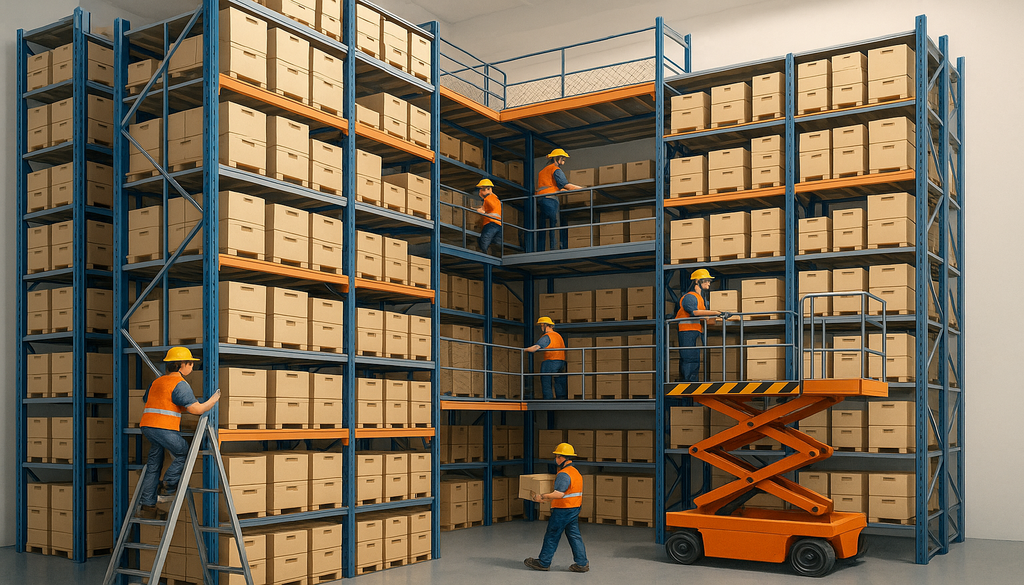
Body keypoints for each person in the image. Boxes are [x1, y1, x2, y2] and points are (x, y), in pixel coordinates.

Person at [137, 347, 221, 519]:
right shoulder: (180, 384)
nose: (191, 367)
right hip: (164, 428)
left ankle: (148, 506)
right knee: (184, 452)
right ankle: (168, 485)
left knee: (154, 463)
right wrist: (213, 400)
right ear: (181, 365)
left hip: (148, 427)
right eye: (190, 363)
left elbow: (152, 400)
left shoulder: (157, 381)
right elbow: (197, 410)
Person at [524, 443, 589, 572]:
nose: (556, 459)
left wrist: (541, 497)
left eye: (557, 456)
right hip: (574, 508)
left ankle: (543, 562)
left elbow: (559, 494)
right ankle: (582, 563)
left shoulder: (564, 474)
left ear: (562, 458)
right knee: (574, 535)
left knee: (552, 535)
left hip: (563, 510)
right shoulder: (575, 472)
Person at [675, 269, 728, 382]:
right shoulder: (689, 297)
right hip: (687, 331)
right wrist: (716, 312)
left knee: (694, 358)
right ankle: (688, 381)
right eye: (707, 280)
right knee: (689, 357)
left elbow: (704, 317)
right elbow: (694, 312)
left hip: (696, 330)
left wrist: (720, 318)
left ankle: (692, 380)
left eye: (709, 281)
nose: (709, 283)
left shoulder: (700, 299)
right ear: (697, 281)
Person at [535, 148, 582, 251]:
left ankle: (540, 249)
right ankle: (554, 248)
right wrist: (583, 189)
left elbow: (553, 186)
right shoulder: (556, 170)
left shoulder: (542, 171)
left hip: (540, 199)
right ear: (557, 159)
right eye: (563, 159)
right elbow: (566, 185)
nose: (564, 162)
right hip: (550, 200)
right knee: (554, 223)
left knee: (542, 226)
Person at [525, 317, 567, 400]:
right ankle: (561, 398)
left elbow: (536, 347)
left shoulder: (547, 336)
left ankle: (548, 398)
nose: (541, 328)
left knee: (546, 380)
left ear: (546, 325)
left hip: (551, 361)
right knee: (559, 381)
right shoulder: (558, 336)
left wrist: (524, 350)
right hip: (561, 361)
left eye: (541, 325)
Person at [473, 179, 502, 255]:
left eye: (481, 190)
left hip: (491, 224)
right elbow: (492, 210)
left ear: (487, 189)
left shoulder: (489, 198)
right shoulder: (496, 199)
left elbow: (491, 207)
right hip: (498, 225)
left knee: (484, 240)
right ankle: (496, 255)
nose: (480, 192)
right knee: (496, 243)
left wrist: (483, 212)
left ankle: (484, 254)